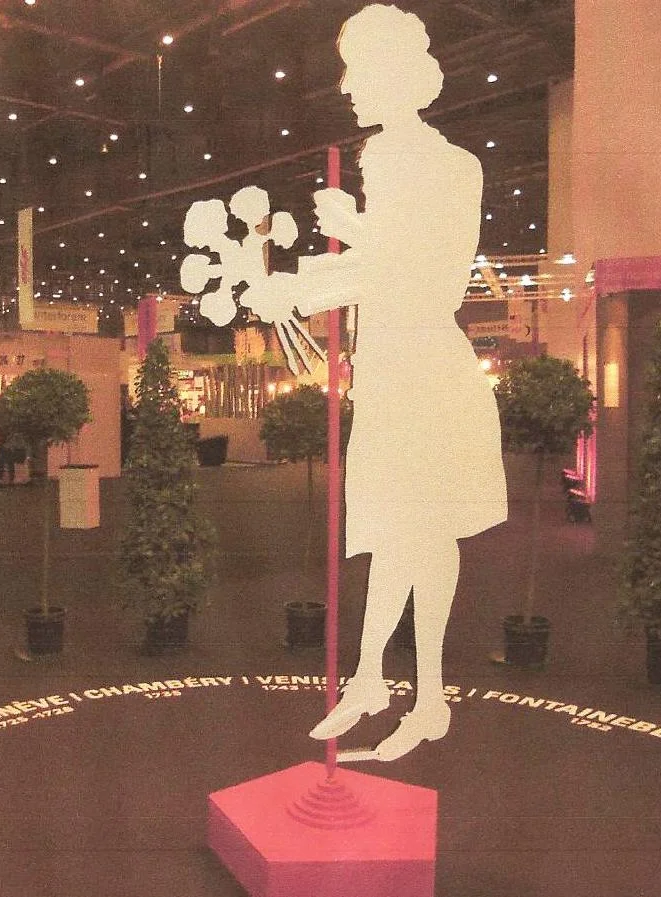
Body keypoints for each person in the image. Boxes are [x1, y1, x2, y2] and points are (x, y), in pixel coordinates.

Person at [239, 4, 507, 761]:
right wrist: (296, 287)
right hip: (389, 372)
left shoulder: (449, 165)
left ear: (394, 74)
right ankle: (369, 681)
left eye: (357, 70)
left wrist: (339, 244)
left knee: (425, 531)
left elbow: (425, 274)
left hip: (424, 368)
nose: (347, 86)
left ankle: (427, 697)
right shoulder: (383, 155)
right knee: (395, 531)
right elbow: (377, 268)